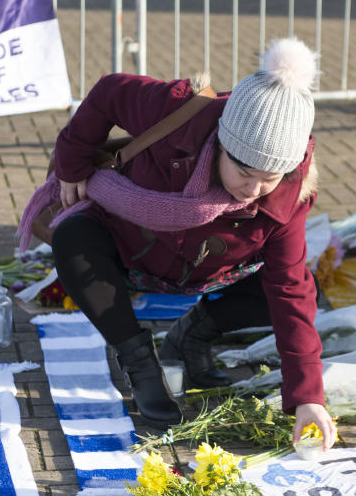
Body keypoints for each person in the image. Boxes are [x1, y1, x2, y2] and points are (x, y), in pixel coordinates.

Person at [17, 38, 336, 448]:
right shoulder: (178, 111)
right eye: (244, 170)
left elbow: (290, 290)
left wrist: (307, 398)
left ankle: (192, 335)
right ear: (222, 141)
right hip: (131, 242)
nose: (253, 188)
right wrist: (72, 162)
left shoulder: (288, 196)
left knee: (294, 286)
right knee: (73, 240)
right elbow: (108, 92)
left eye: (269, 177)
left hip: (211, 268)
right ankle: (140, 364)